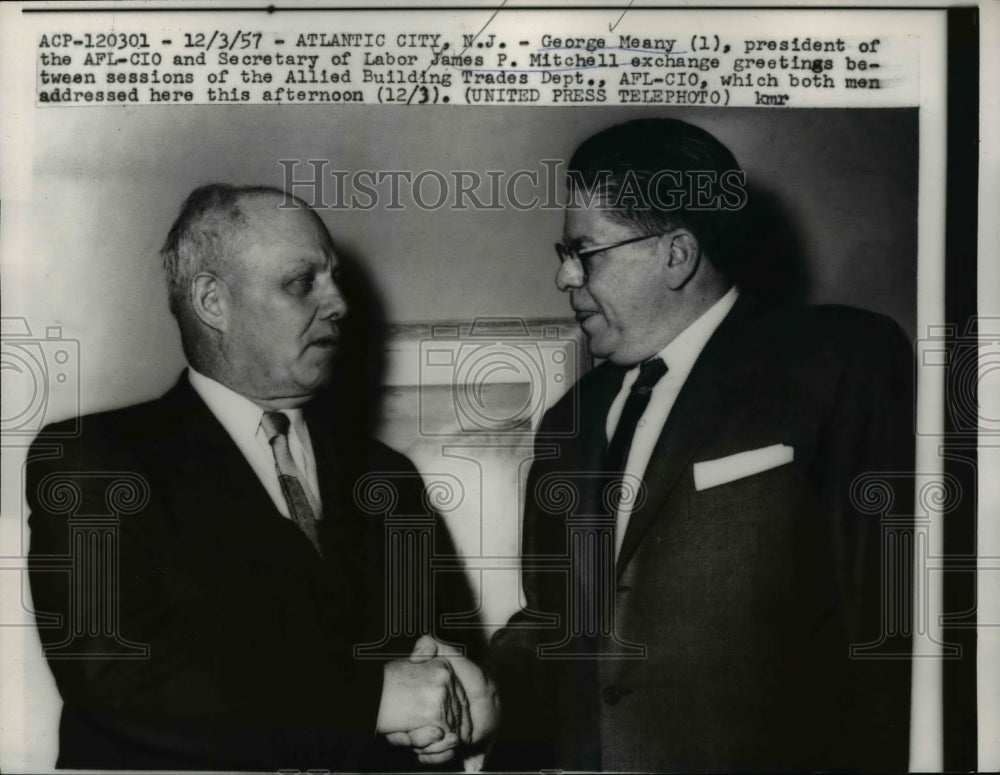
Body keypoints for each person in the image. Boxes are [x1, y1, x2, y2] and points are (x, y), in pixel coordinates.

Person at [412, 118, 914, 771]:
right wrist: (478, 691)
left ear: (676, 254)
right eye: (561, 254)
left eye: (584, 251)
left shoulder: (838, 362)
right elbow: (551, 622)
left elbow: (890, 624)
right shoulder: (572, 416)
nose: (565, 278)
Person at [25, 184, 484, 770]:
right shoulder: (96, 460)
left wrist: (459, 705)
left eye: (335, 278)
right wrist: (368, 701)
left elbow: (443, 657)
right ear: (213, 301)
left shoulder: (389, 478)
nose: (339, 302)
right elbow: (118, 674)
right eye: (302, 282)